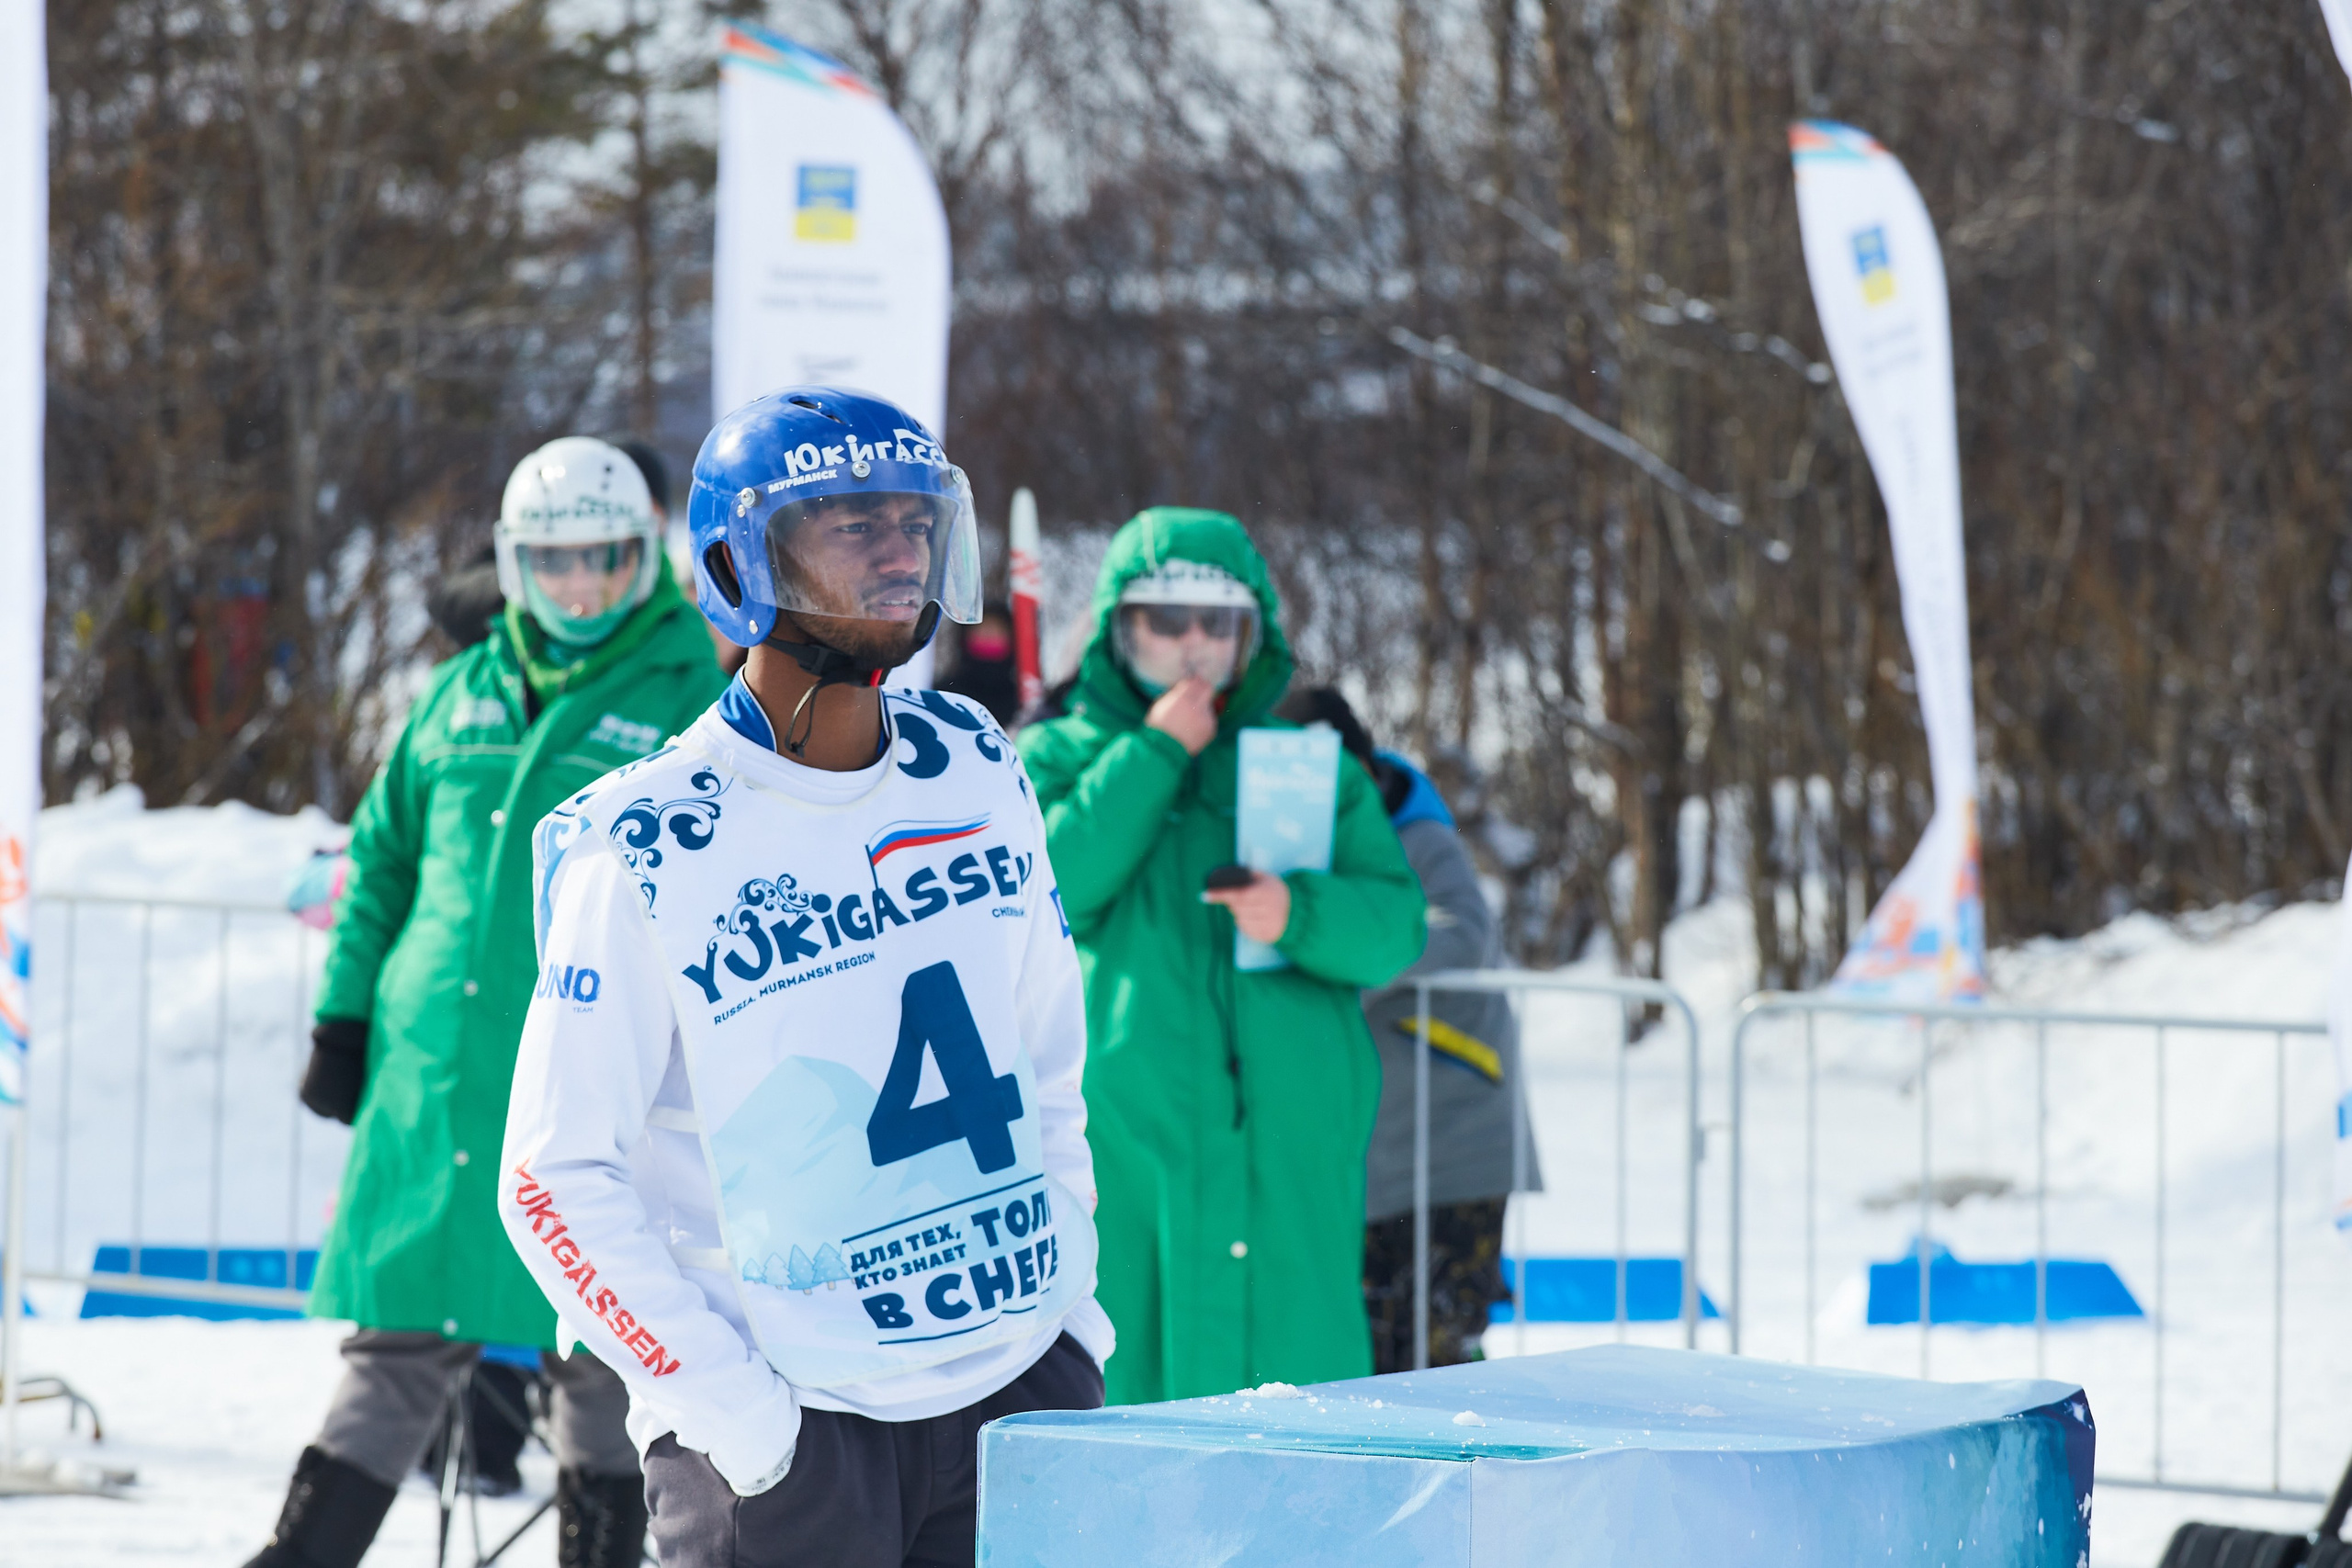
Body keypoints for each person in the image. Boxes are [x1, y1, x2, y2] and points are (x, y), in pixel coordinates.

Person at [498, 386, 1109, 1568]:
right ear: (740, 561)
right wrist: (740, 1423)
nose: (898, 554)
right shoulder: (642, 840)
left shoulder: (974, 764)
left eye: (914, 522)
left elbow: (1047, 1061)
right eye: (850, 526)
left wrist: (1069, 1323)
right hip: (788, 1436)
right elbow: (551, 1182)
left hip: (1016, 1395)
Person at [246, 436, 728, 1568]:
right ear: (511, 565)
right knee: (398, 1345)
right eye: (550, 562)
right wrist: (345, 1017)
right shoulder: (460, 689)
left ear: (642, 555)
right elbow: (383, 864)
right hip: (440, 1077)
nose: (576, 588)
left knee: (600, 1345)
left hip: (591, 1082)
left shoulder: (693, 693)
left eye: (603, 559)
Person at [1016, 508, 1426, 1404]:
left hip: (1289, 1145)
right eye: (1166, 622)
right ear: (1121, 629)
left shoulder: (1311, 768)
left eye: (1219, 625)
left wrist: (1299, 911)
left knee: (1298, 1409)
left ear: (1254, 638)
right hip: (1117, 1139)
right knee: (1122, 1390)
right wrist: (1158, 753)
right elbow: (1048, 888)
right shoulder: (1050, 757)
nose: (1193, 645)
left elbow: (1396, 928)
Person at [1273, 686, 1542, 1371]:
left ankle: (1467, 1475)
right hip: (1372, 1148)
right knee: (1376, 1348)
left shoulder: (1419, 834)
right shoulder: (1297, 836)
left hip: (1455, 1132)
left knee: (1439, 1348)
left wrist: (1351, 959)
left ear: (1360, 767)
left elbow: (1466, 933)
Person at [935, 600, 1020, 726]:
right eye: (983, 631)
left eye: (996, 631)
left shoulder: (1022, 695)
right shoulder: (947, 692)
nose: (989, 637)